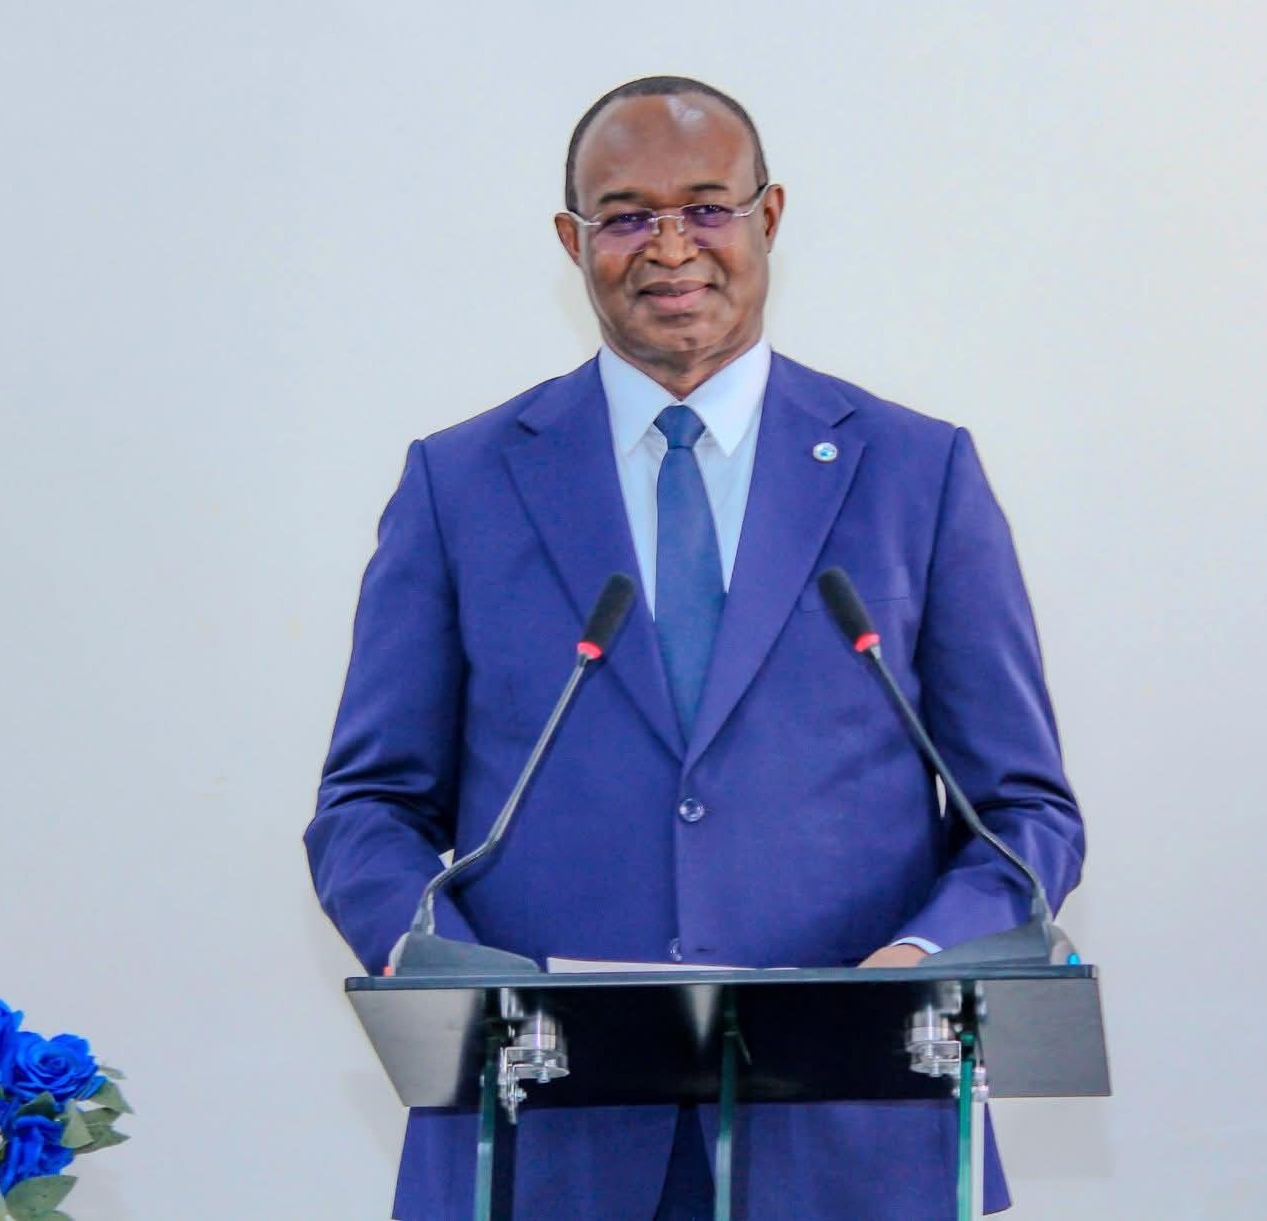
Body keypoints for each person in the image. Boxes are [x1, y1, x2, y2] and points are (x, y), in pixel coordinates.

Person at [304, 75, 1084, 1219]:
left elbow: (1021, 812)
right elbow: (367, 806)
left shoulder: (917, 474)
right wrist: (455, 972)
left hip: (852, 1134)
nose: (670, 248)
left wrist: (919, 959)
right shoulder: (458, 482)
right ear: (571, 242)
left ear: (768, 217)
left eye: (707, 207)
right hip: (539, 1133)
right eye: (625, 216)